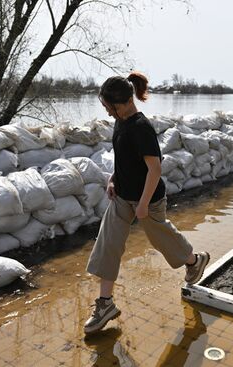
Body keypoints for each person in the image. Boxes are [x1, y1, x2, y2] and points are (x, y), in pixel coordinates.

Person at [84, 72, 210, 335]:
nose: (108, 113)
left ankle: (194, 260)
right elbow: (124, 158)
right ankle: (105, 304)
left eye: (109, 107)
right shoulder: (121, 122)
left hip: (147, 200)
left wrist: (141, 205)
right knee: (108, 243)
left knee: (161, 238)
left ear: (122, 103)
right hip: (122, 196)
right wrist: (113, 179)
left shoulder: (141, 128)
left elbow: (154, 169)